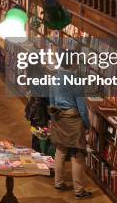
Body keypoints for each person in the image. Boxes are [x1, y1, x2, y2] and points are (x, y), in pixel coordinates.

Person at [48, 59, 92, 199]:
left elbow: (52, 102)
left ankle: (58, 182)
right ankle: (79, 190)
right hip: (73, 120)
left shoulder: (54, 78)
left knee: (60, 151)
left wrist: (55, 120)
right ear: (72, 64)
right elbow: (83, 109)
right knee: (77, 155)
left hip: (59, 118)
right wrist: (87, 125)